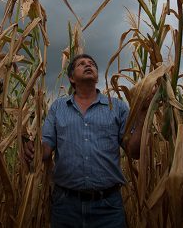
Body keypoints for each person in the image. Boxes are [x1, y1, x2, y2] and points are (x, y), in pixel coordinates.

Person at [24, 54, 151, 228]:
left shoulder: (117, 107)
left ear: (97, 76)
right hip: (66, 205)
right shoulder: (58, 108)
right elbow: (47, 146)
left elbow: (134, 151)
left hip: (108, 207)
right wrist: (35, 150)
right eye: (81, 64)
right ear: (71, 78)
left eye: (91, 63)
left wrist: (143, 115)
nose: (88, 65)